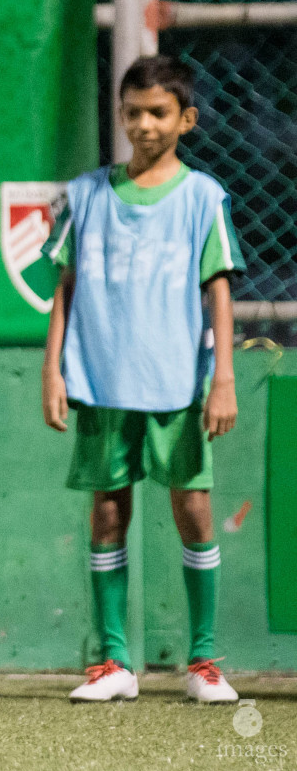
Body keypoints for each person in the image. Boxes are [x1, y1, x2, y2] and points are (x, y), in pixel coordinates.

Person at [42, 55, 245, 704]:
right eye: (132, 112)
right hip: (101, 382)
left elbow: (219, 289)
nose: (144, 124)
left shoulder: (202, 198)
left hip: (178, 385)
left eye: (158, 112)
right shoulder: (86, 195)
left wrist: (224, 380)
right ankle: (114, 664)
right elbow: (65, 289)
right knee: (107, 514)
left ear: (185, 119)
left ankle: (204, 661)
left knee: (193, 510)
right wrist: (54, 370)